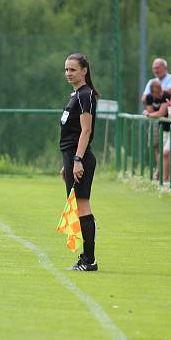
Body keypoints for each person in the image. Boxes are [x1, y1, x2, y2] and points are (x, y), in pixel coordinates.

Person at [60, 52, 99, 272]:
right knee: (78, 206)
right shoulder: (75, 95)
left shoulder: (86, 94)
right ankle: (86, 257)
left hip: (80, 158)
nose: (68, 73)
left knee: (83, 205)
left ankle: (89, 260)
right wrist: (67, 162)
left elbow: (86, 131)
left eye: (72, 69)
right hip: (72, 157)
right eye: (66, 69)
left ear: (84, 70)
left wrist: (77, 160)